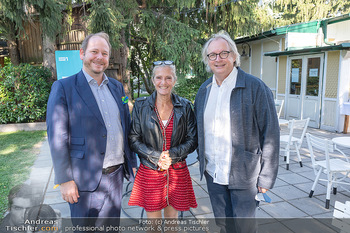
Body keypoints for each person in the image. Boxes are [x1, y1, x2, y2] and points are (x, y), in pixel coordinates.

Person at [46, 32, 137, 231]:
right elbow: (57, 136)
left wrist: (132, 163)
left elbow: (126, 126)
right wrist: (65, 180)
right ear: (82, 53)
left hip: (115, 177)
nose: (99, 57)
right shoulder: (63, 87)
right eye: (94, 51)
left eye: (104, 53)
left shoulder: (117, 87)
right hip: (83, 181)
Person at [194, 31, 280, 233]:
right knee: (224, 225)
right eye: (212, 55)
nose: (218, 59)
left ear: (233, 55)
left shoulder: (255, 87)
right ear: (208, 60)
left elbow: (271, 134)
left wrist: (266, 177)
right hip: (214, 173)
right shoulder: (204, 90)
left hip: (244, 174)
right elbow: (198, 129)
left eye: (223, 53)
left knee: (244, 227)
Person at [128, 61, 197, 230]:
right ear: (153, 80)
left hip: (176, 170)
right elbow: (133, 139)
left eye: (168, 78)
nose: (163, 82)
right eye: (159, 77)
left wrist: (171, 156)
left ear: (174, 80)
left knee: (172, 220)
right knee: (153, 222)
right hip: (151, 169)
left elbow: (193, 139)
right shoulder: (141, 106)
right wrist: (156, 156)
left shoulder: (185, 106)